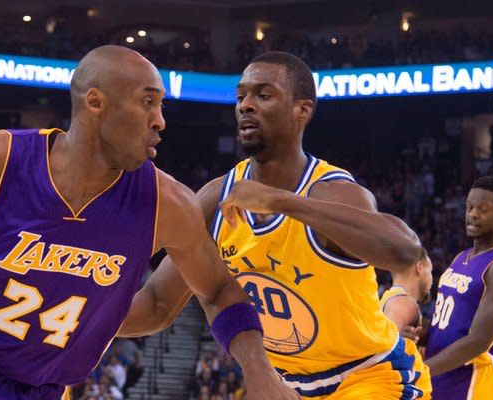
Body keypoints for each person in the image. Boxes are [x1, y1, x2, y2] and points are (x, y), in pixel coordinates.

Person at [0, 45, 294, 400]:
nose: (160, 122)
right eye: (148, 103)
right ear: (96, 103)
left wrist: (258, 366)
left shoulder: (167, 204)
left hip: (46, 387)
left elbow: (211, 292)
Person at [117, 51, 431, 399]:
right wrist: (80, 317)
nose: (245, 106)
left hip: (369, 376)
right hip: (286, 384)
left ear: (302, 110)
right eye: (241, 96)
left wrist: (280, 201)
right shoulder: (214, 198)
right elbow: (158, 303)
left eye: (262, 95)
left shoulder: (332, 192)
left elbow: (405, 252)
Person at [425, 176, 493, 400]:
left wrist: (420, 371)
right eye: (470, 207)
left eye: (483, 209)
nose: (473, 214)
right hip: (437, 378)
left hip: (471, 385)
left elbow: (478, 342)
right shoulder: (461, 257)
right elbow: (446, 324)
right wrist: (419, 332)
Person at [380, 248, 433, 334]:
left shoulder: (391, 298)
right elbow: (388, 346)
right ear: (419, 267)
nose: (432, 279)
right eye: (430, 271)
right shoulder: (403, 303)